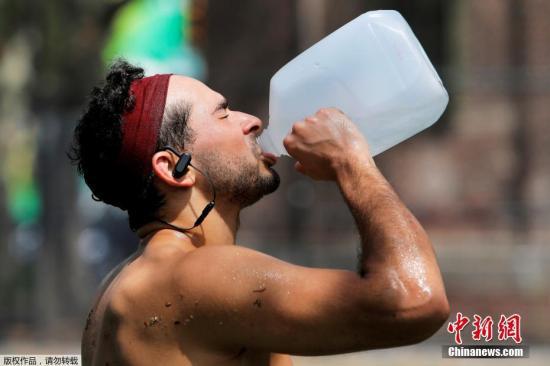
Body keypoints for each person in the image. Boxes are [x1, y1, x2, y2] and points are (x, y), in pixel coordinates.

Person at [71, 60, 449, 366]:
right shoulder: (193, 277)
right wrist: (351, 161)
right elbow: (414, 300)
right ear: (173, 168)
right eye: (223, 115)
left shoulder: (121, 284)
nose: (251, 120)